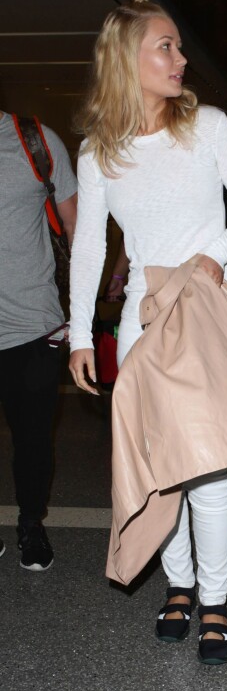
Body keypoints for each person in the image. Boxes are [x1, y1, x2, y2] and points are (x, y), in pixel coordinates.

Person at [67, 0, 227, 664]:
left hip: (208, 314)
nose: (182, 58)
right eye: (167, 46)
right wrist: (79, 335)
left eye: (179, 45)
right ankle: (179, 585)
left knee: (210, 473)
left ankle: (214, 600)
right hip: (142, 326)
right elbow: (91, 249)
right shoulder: (98, 150)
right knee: (164, 473)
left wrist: (211, 256)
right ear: (129, 59)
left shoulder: (208, 126)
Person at [0, 111, 77, 570]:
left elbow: (76, 224)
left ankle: (31, 523)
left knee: (32, 440)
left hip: (33, 326)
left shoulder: (36, 142)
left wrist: (81, 315)